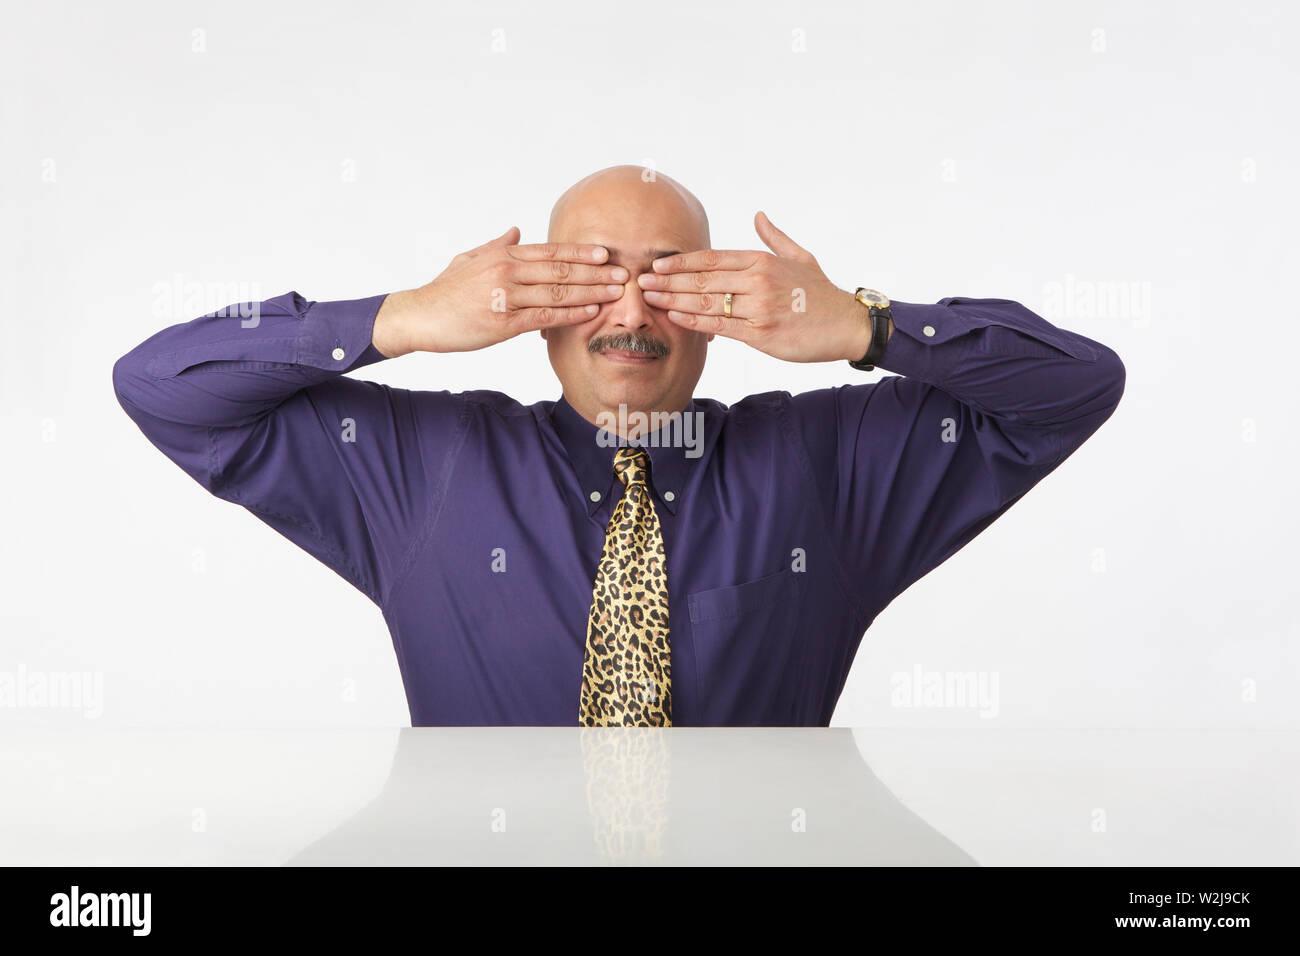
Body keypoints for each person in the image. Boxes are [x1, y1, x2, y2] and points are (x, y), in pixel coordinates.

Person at [112, 164, 1125, 727]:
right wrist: (402, 315)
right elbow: (163, 386)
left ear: (723, 307)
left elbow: (1074, 387)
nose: (630, 310)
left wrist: (868, 325)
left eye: (671, 278)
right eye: (590, 277)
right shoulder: (423, 469)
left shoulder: (825, 468)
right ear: (535, 308)